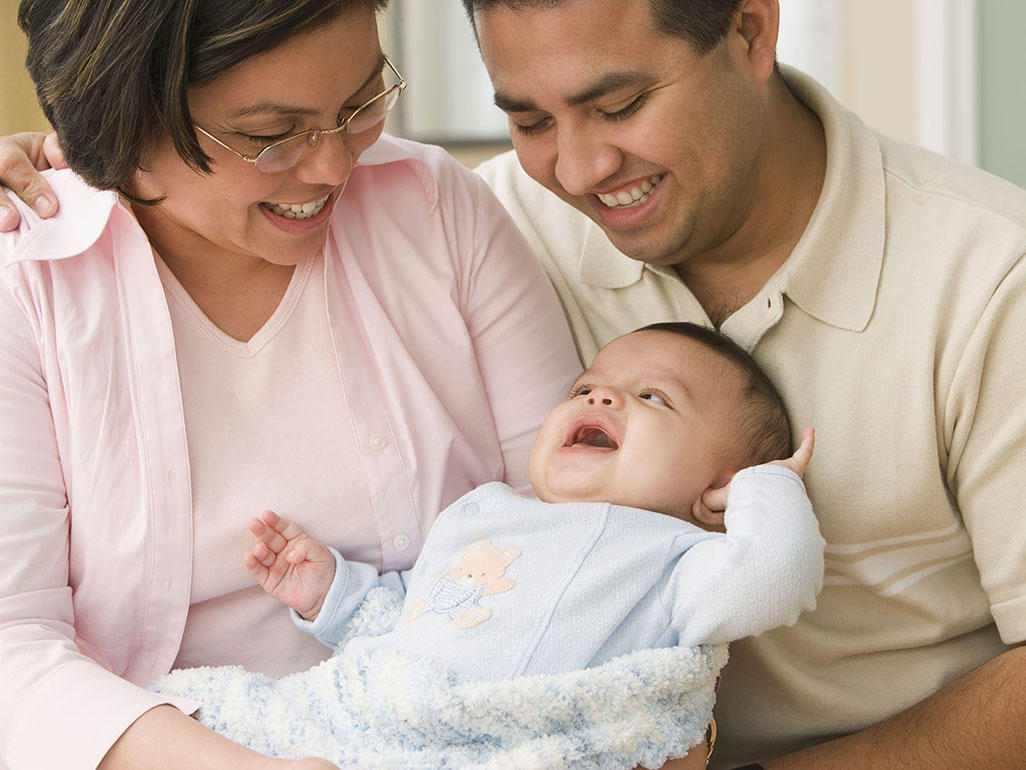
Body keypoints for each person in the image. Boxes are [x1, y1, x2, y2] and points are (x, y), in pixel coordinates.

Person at [6, 0, 1026, 766]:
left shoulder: (989, 277)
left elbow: (559, 546)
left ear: (754, 30)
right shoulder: (508, 210)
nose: (577, 170)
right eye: (528, 119)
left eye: (360, 106)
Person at [0, 1, 583, 769]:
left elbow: (572, 530)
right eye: (270, 137)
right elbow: (15, 650)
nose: (334, 166)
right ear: (124, 128)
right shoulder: (29, 285)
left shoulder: (436, 209)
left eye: (360, 104)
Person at [155, 323, 823, 768]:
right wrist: (333, 592)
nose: (603, 396)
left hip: (509, 744)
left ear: (718, 488)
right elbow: (418, 627)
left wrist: (766, 490)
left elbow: (774, 576)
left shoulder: (676, 559)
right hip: (387, 723)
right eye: (585, 388)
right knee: (188, 715)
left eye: (651, 396)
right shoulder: (485, 514)